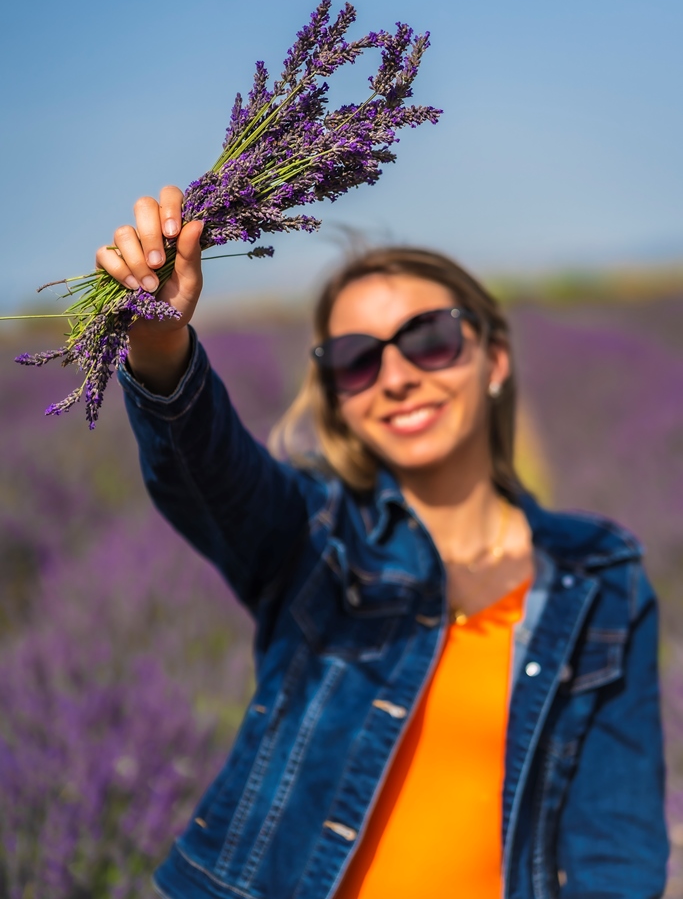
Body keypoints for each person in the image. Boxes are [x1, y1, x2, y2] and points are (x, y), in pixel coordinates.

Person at [98, 185, 669, 899]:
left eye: (429, 339)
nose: (396, 377)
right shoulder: (318, 536)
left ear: (492, 361)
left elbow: (614, 845)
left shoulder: (598, 575)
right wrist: (160, 345)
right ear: (337, 393)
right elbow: (209, 477)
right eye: (356, 359)